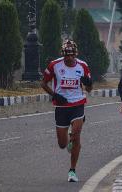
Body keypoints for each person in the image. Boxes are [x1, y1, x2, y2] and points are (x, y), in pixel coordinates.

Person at [41, 39, 92, 182]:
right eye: (66, 55)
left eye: (71, 55)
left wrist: (88, 84)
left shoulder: (83, 66)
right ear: (63, 54)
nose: (69, 58)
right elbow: (43, 83)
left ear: (75, 54)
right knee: (62, 145)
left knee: (76, 136)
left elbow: (89, 88)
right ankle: (68, 139)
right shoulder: (54, 65)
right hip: (61, 106)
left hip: (77, 104)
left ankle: (72, 170)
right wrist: (54, 95)